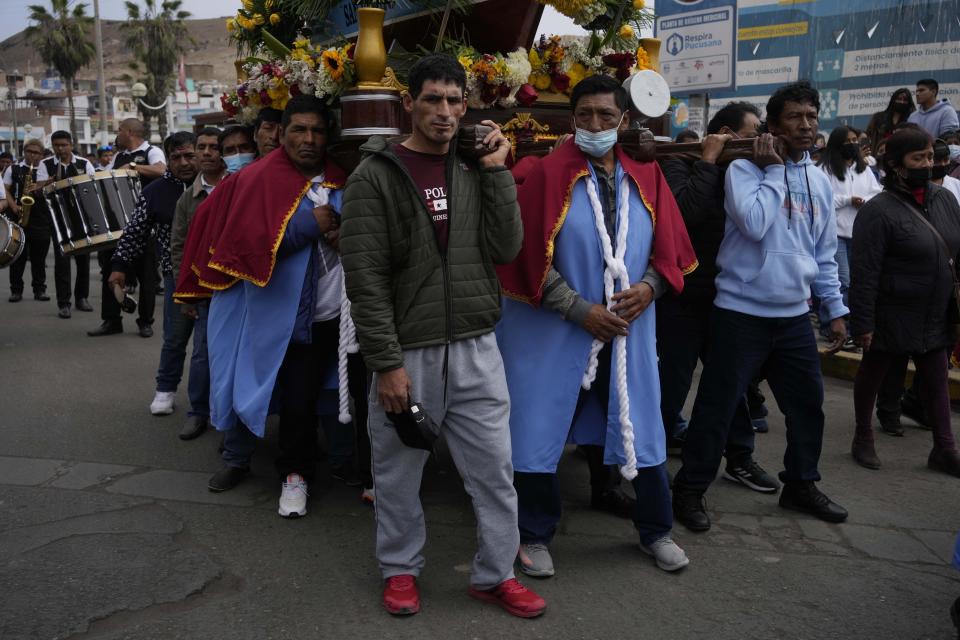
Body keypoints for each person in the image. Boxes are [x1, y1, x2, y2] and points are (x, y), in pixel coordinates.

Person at [340, 53, 545, 618]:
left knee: (496, 471)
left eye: (456, 101)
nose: (446, 112)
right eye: (433, 99)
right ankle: (400, 570)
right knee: (399, 472)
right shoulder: (375, 177)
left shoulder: (473, 169)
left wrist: (500, 170)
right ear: (408, 104)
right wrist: (386, 365)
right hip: (409, 352)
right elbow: (366, 280)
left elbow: (506, 250)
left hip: (478, 346)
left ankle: (495, 573)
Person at [496, 74, 697, 578]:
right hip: (560, 328)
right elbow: (524, 260)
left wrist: (649, 287)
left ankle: (657, 530)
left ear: (624, 121)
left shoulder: (646, 178)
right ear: (572, 120)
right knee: (538, 429)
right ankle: (535, 533)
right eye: (584, 115)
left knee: (641, 424)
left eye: (606, 116)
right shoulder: (545, 174)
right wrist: (578, 308)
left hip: (628, 331)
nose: (594, 125)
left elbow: (669, 251)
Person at [672, 81, 850, 532]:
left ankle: (801, 485)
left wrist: (835, 307)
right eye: (795, 117)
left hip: (793, 316)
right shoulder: (744, 170)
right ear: (772, 126)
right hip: (740, 312)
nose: (806, 126)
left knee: (808, 406)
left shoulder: (818, 180)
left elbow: (824, 252)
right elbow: (752, 224)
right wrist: (772, 171)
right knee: (717, 408)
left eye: (811, 116)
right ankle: (690, 491)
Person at [177, 96, 356, 520]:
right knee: (252, 384)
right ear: (281, 133)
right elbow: (239, 246)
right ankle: (259, 466)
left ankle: (344, 465)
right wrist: (307, 226)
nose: (308, 139)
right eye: (299, 130)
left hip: (335, 314)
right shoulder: (254, 179)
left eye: (317, 131)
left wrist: (344, 233)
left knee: (332, 393)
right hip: (263, 312)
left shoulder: (343, 179)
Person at [658, 101, 780, 493]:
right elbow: (684, 214)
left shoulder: (750, 173)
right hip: (681, 297)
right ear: (725, 135)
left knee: (735, 388)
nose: (760, 141)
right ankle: (649, 463)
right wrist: (708, 163)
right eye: (751, 134)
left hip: (729, 300)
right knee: (669, 386)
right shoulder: (681, 161)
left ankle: (740, 458)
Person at [849, 127, 960, 477]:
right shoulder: (878, 211)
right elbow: (864, 271)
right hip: (891, 311)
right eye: (919, 158)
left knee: (937, 379)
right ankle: (863, 436)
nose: (929, 164)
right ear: (896, 165)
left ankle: (944, 448)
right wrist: (863, 323)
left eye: (931, 156)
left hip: (935, 311)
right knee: (873, 374)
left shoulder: (945, 200)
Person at [110, 131, 202, 417]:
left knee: (207, 347)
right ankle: (165, 389)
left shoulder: (219, 186)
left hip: (218, 278)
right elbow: (135, 232)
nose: (184, 162)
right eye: (177, 157)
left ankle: (206, 401)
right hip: (176, 275)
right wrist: (119, 267)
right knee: (175, 339)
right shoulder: (154, 192)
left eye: (190, 155)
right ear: (168, 159)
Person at [167, 127, 236, 440]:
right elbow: (179, 247)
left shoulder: (236, 186)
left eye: (213, 147)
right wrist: (187, 295)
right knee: (203, 353)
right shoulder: (187, 199)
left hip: (237, 285)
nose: (207, 153)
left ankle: (230, 413)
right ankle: (198, 411)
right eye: (202, 147)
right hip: (204, 289)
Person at [89, 118, 166, 337]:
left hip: (145, 224)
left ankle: (145, 322)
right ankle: (112, 320)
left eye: (120, 130)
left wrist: (133, 167)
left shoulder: (152, 151)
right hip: (119, 225)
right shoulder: (118, 156)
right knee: (110, 271)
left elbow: (162, 171)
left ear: (130, 132)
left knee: (146, 275)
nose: (117, 133)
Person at [816, 125, 882, 339]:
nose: (853, 144)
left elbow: (877, 194)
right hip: (834, 233)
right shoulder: (824, 169)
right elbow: (822, 199)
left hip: (859, 233)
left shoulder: (863, 170)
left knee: (855, 283)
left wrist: (865, 202)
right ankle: (831, 325)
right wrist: (848, 200)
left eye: (855, 139)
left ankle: (848, 328)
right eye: (848, 141)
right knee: (841, 281)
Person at [36, 130, 96, 318]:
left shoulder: (84, 163)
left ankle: (82, 297)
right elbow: (39, 191)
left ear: (71, 144)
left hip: (81, 218)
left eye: (64, 145)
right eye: (57, 145)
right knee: (62, 260)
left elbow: (92, 189)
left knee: (83, 259)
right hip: (58, 217)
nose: (60, 149)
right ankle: (64, 302)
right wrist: (48, 183)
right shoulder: (45, 165)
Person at [3, 139, 51, 303]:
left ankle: (40, 289)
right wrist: (13, 205)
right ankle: (16, 290)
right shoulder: (13, 168)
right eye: (29, 151)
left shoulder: (46, 170)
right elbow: (5, 190)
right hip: (17, 216)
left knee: (39, 258)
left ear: (42, 155)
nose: (32, 155)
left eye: (36, 153)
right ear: (24, 152)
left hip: (41, 218)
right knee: (17, 257)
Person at [866, 88, 915, 152]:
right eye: (899, 99)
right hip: (879, 154)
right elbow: (868, 136)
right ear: (893, 100)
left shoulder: (911, 119)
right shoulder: (878, 117)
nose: (902, 102)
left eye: (905, 100)